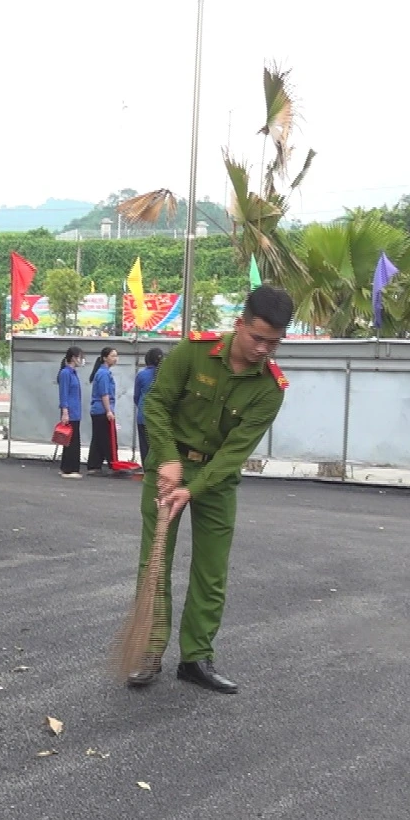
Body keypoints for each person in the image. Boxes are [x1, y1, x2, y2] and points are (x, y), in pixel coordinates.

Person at [129, 286, 294, 693]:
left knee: (211, 570)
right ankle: (148, 652)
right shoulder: (192, 352)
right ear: (238, 325)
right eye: (258, 338)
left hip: (216, 479)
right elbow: (156, 406)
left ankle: (196, 658)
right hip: (168, 466)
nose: (264, 350)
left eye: (274, 343)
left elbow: (234, 452)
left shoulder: (270, 389)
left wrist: (194, 488)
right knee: (155, 561)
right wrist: (167, 459)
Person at [86, 347, 119, 474]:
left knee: (98, 438)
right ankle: (113, 465)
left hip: (98, 411)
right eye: (112, 356)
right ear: (105, 358)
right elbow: (104, 394)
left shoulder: (103, 372)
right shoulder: (104, 373)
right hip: (102, 410)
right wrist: (109, 411)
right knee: (107, 439)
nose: (115, 359)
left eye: (116, 356)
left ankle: (94, 465)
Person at [56, 346, 85, 479]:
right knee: (72, 441)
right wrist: (65, 411)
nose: (81, 360)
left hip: (75, 411)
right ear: (74, 357)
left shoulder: (73, 373)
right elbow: (64, 393)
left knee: (72, 439)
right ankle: (70, 469)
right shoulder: (65, 373)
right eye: (80, 356)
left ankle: (67, 467)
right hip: (70, 411)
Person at [134, 347, 165, 465]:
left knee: (145, 446)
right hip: (160, 417)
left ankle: (148, 471)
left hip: (144, 416)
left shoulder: (142, 375)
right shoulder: (166, 374)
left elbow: (136, 397)